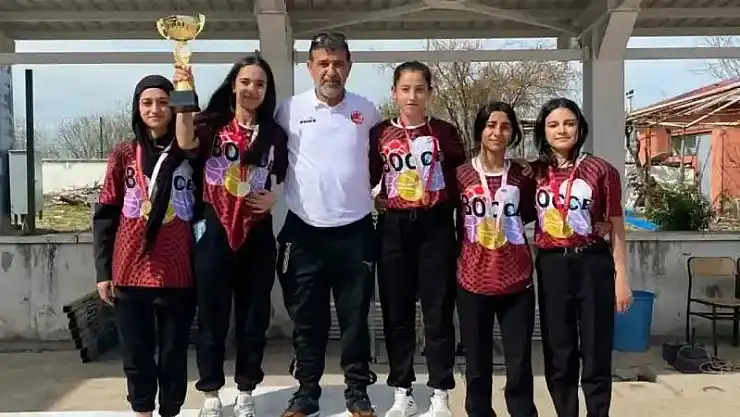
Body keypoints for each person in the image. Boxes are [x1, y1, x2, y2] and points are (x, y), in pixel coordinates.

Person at [275, 32, 381, 417]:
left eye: (338, 64)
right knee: (308, 319)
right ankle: (306, 392)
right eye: (323, 63)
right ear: (310, 68)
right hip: (303, 232)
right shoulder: (288, 110)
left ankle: (357, 391)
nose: (330, 71)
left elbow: (380, 162)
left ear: (349, 67)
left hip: (355, 231)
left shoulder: (367, 111)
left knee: (355, 318)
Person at [93, 72, 199, 417]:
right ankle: (142, 410)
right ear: (136, 108)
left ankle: (170, 410)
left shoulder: (188, 152)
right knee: (136, 352)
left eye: (164, 102)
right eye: (147, 102)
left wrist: (185, 88)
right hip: (129, 269)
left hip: (177, 270)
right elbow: (106, 214)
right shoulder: (123, 154)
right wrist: (103, 271)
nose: (155, 109)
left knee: (173, 352)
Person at [190, 53, 288, 417]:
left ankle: (246, 389)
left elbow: (283, 175)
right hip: (214, 227)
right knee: (212, 315)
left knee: (253, 317)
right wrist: (183, 82)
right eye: (245, 82)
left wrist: (275, 196)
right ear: (233, 84)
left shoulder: (274, 133)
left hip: (256, 231)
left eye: (260, 84)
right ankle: (211, 392)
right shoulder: (210, 125)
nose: (252, 89)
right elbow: (183, 141)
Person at [369, 61, 465, 417]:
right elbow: (370, 175)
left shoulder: (444, 132)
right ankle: (402, 390)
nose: (412, 96)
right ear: (394, 92)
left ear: (429, 93)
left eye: (420, 89)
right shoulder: (380, 133)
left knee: (437, 311)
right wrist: (376, 197)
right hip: (394, 227)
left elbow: (461, 178)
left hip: (435, 226)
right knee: (396, 312)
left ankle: (440, 390)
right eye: (405, 89)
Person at [532, 98, 632, 417]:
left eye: (569, 123)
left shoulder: (601, 170)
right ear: (543, 131)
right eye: (553, 124)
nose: (562, 130)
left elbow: (616, 225)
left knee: (595, 347)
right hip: (552, 265)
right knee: (559, 351)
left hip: (592, 263)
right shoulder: (534, 173)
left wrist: (622, 278)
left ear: (580, 127)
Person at [454, 101, 538, 417]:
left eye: (504, 126)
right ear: (480, 130)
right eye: (490, 125)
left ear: (513, 133)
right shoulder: (461, 175)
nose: (497, 132)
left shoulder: (523, 176)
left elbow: (531, 212)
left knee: (519, 363)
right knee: (477, 364)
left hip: (516, 282)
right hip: (472, 281)